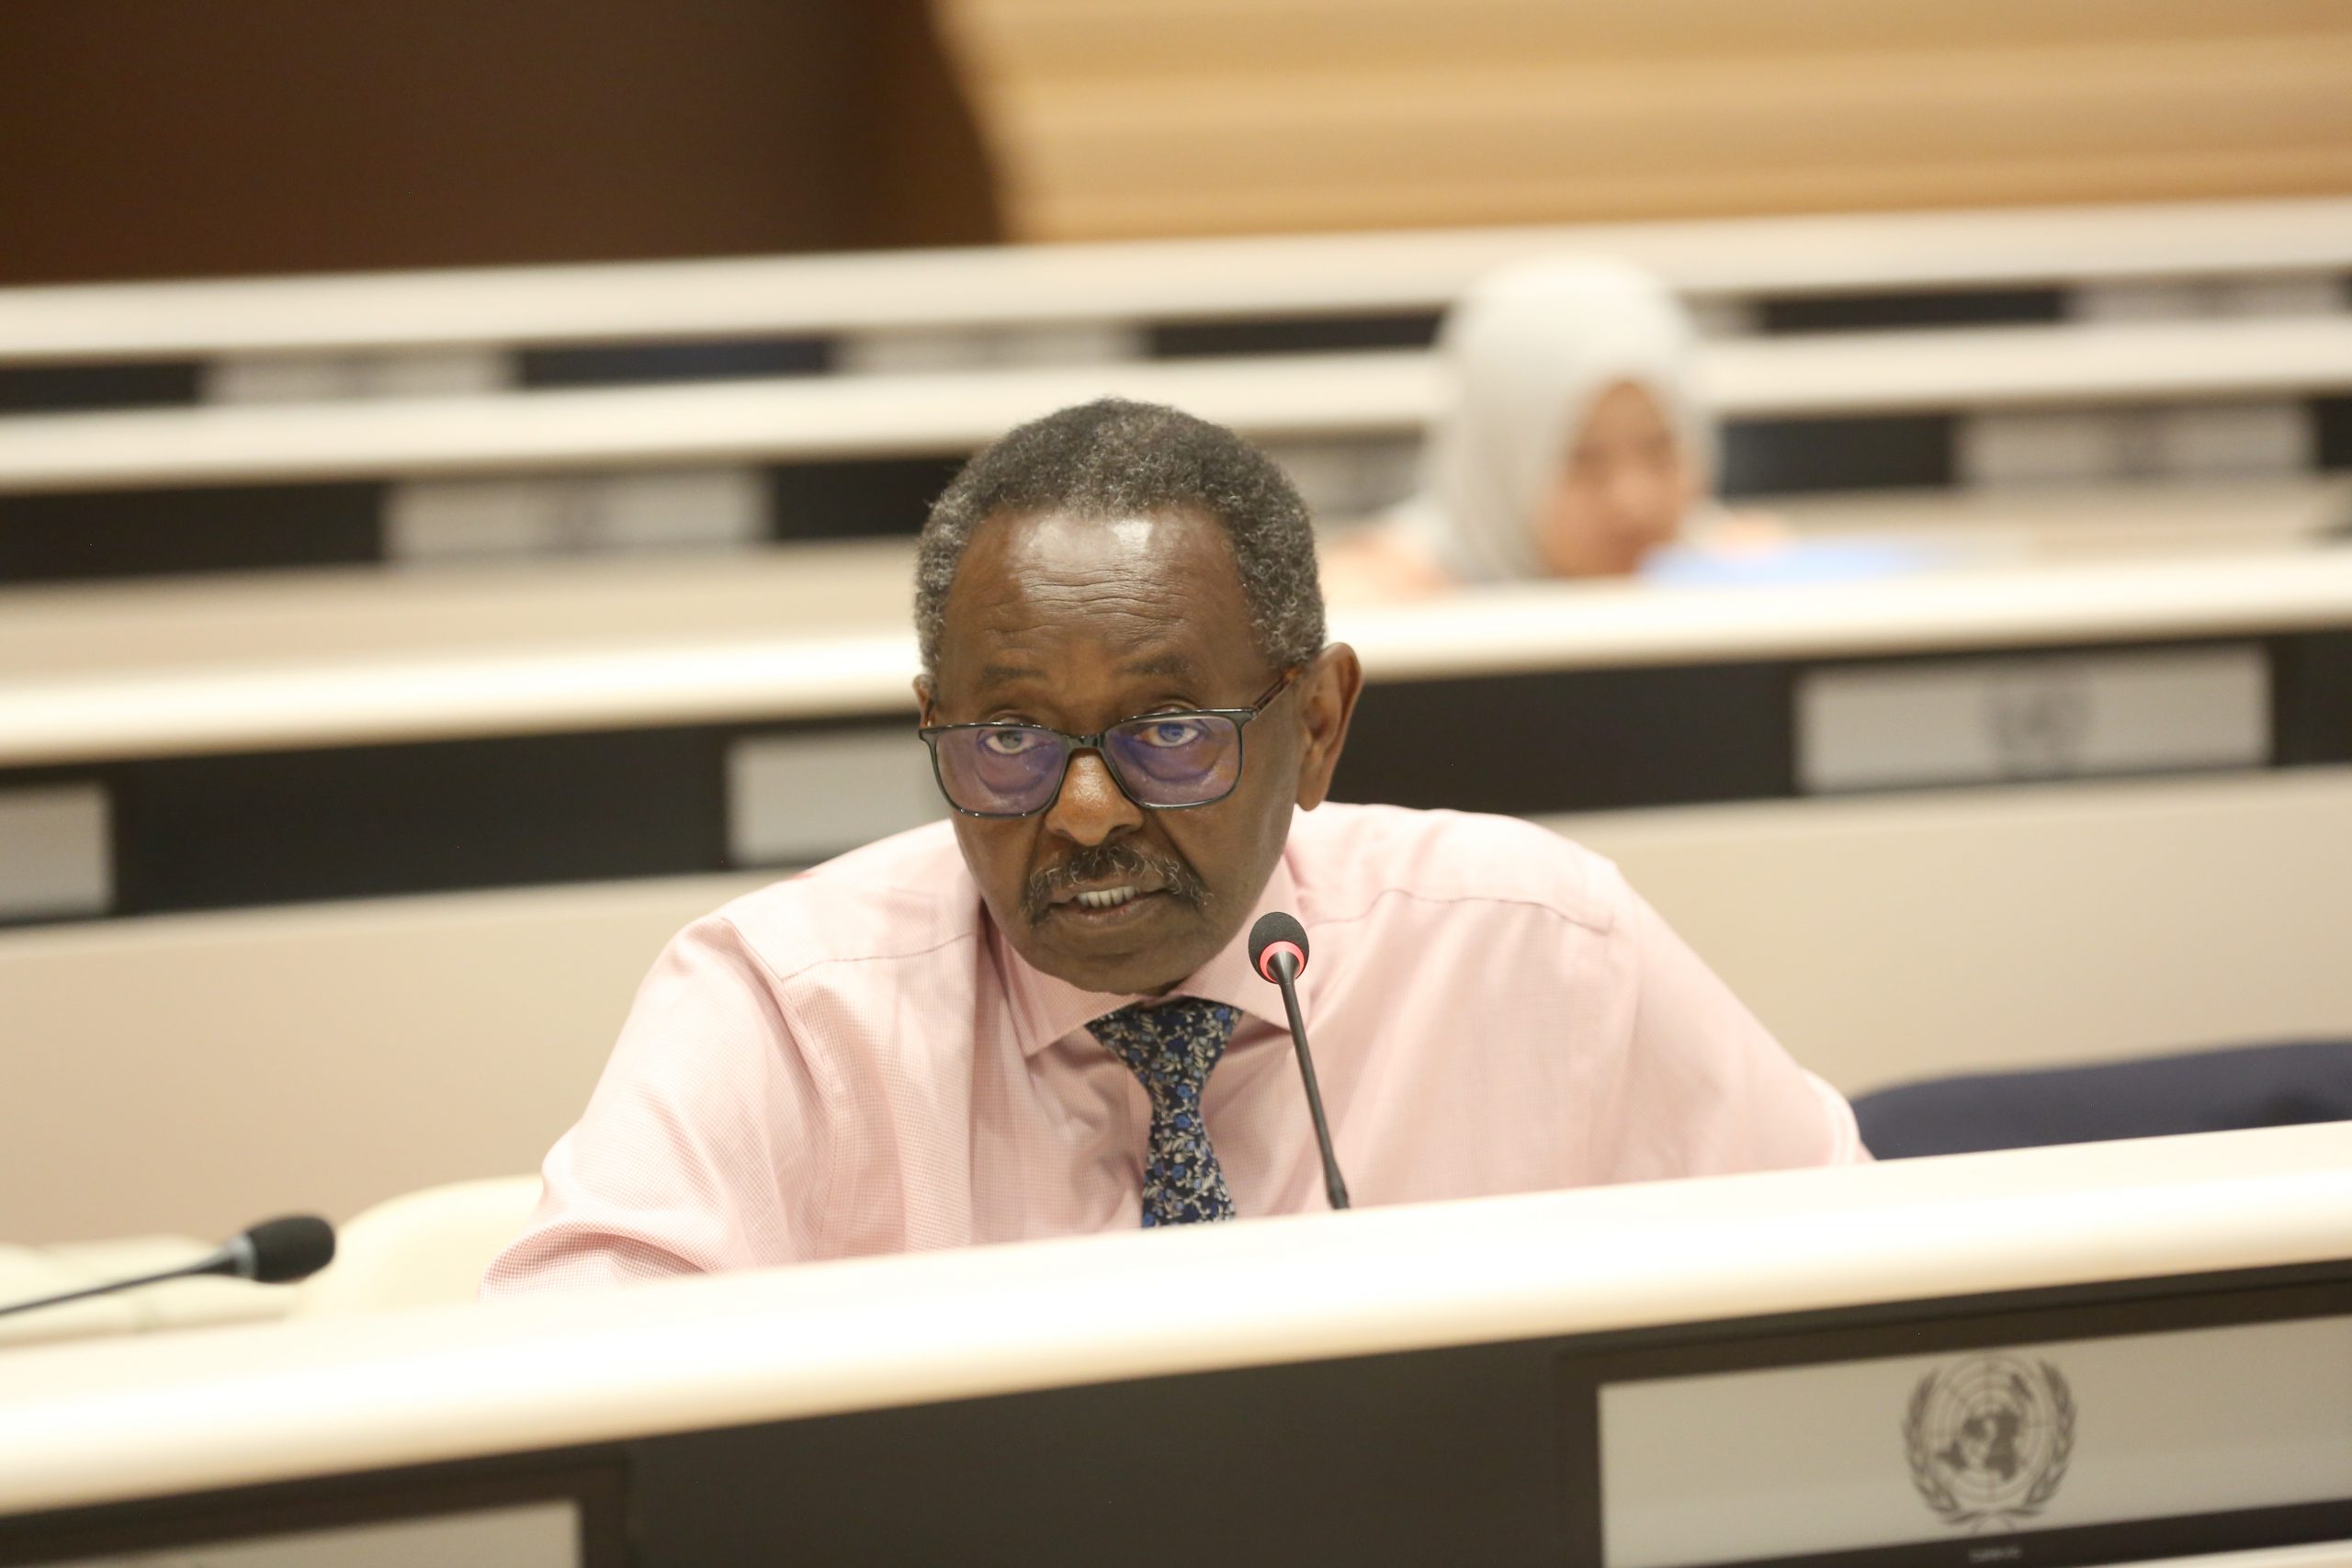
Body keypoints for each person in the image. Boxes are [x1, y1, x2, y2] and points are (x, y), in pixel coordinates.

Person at [482, 399, 1863, 1296]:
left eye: (1169, 732)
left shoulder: (1539, 951)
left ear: (1316, 725)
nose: (1084, 810)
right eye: (1008, 739)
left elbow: (1855, 1277)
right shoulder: (788, 1011)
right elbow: (557, 1384)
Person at [1322, 255, 1766, 599]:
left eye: (1660, 452)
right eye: (1584, 462)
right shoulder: (1379, 608)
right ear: (1499, 457)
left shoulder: (1734, 569)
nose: (1633, 502)